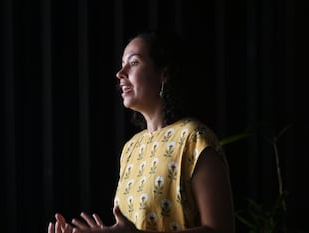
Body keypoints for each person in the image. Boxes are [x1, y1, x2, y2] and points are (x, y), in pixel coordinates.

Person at [48, 30, 235, 233]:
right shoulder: (131, 149)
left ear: (164, 73)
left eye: (134, 63)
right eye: (122, 65)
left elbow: (221, 229)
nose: (120, 73)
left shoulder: (195, 139)